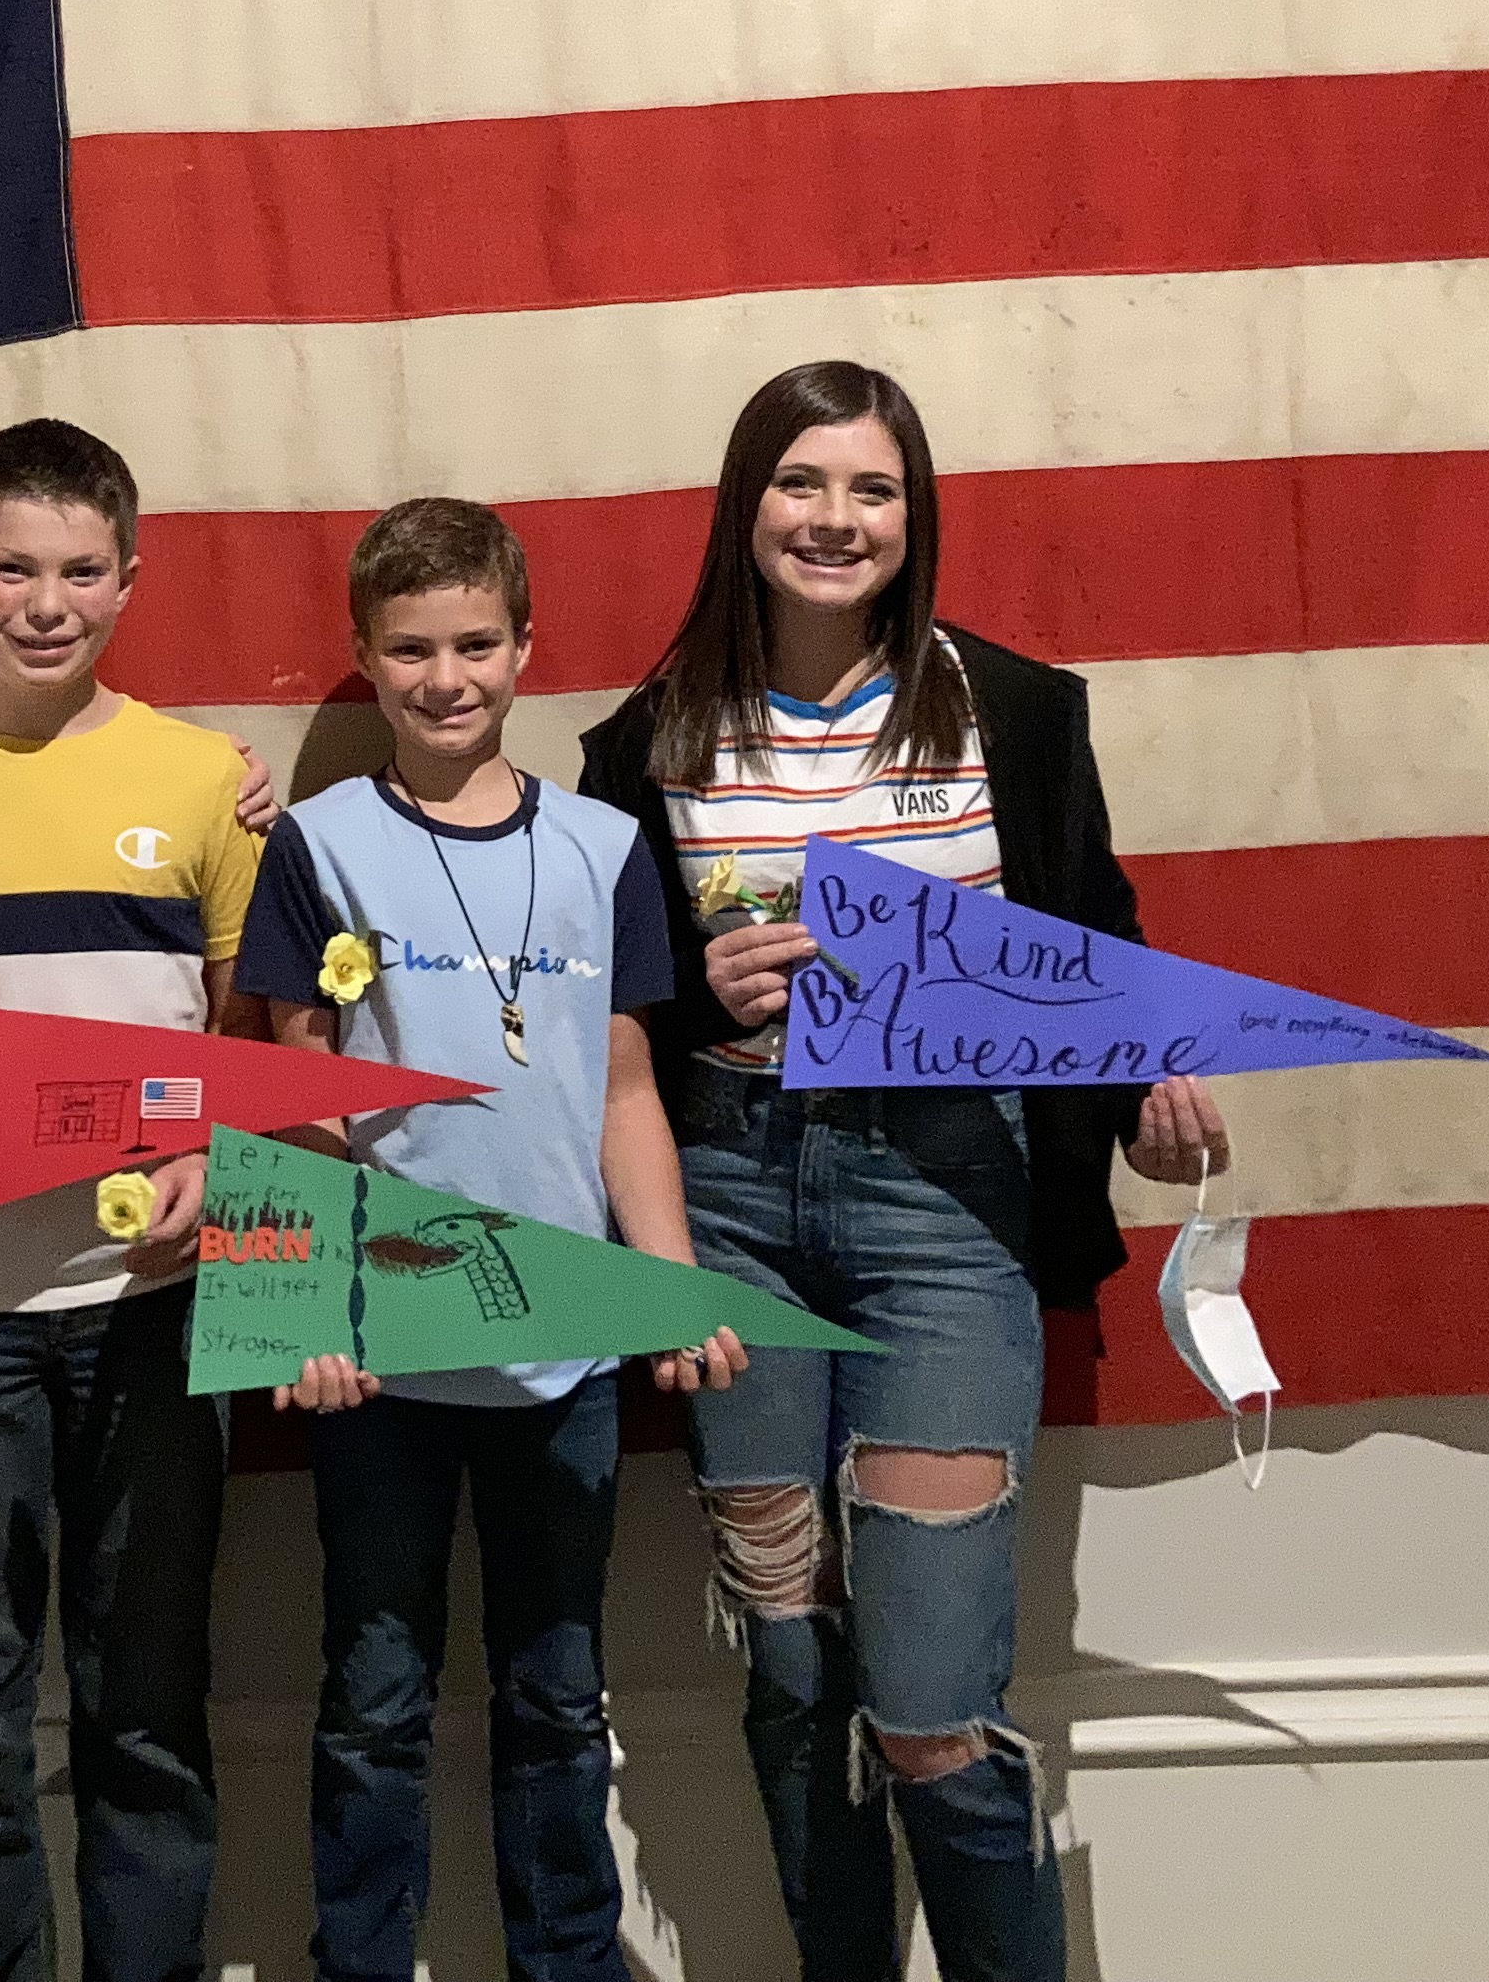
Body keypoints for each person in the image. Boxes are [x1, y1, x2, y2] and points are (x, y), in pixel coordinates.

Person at [575, 361, 1229, 1982]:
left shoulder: (1010, 705)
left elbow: (1096, 934)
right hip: (730, 1191)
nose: (835, 519)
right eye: (803, 483)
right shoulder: (645, 735)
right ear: (746, 505)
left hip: (948, 1199)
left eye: (872, 489)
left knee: (931, 1705)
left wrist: (1146, 1070)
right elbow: (605, 1009)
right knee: (791, 1664)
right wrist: (692, 992)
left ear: (912, 516)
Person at [234, 497, 745, 1982]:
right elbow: (292, 1088)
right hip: (381, 1363)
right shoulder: (320, 847)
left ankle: (567, 1963)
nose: (445, 677)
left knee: (557, 1689)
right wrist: (293, 1314)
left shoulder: (598, 845)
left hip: (564, 1353)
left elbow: (628, 1084)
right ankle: (361, 1962)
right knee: (375, 1694)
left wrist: (668, 1280)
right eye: (410, 649)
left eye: (474, 644)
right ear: (365, 656)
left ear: (527, 645)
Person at [0, 418, 270, 1982]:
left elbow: (251, 1043)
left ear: (129, 579)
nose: (45, 601)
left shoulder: (207, 781)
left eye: (80, 569)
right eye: (11, 568)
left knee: (146, 1698)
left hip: (155, 1321)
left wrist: (205, 1158)